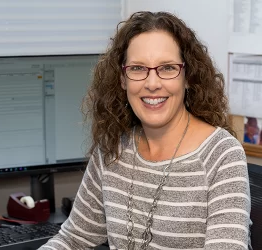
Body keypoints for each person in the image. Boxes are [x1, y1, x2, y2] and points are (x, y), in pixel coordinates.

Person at [39, 11, 251, 250]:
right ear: (122, 78)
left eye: (168, 68)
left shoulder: (221, 154)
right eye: (138, 68)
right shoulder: (112, 149)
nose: (152, 83)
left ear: (188, 76)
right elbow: (72, 239)